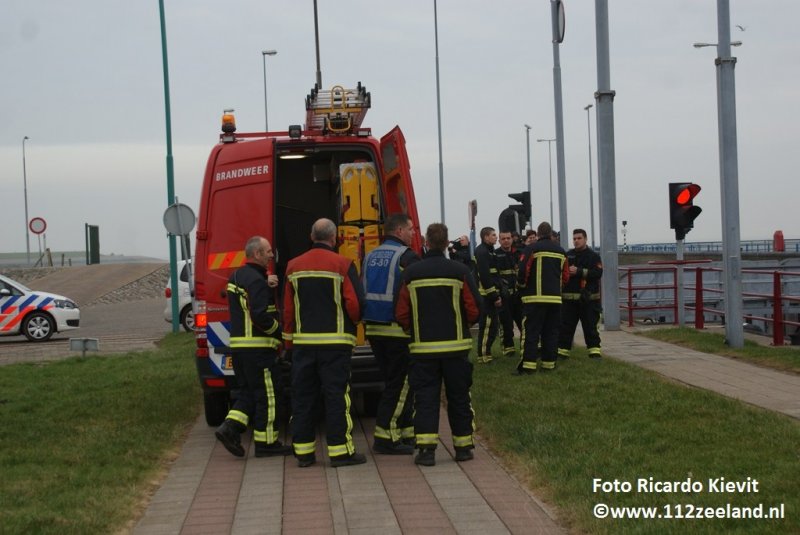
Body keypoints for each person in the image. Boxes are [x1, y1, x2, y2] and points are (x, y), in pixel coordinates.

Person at [282, 218, 367, 468]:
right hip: (336, 345)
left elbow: (288, 311)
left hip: (303, 345)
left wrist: (288, 344)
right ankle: (340, 453)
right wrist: (355, 323)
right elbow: (354, 304)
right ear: (334, 238)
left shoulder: (292, 266)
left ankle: (304, 453)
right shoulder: (342, 264)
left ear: (311, 235)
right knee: (336, 396)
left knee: (303, 397)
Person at [395, 223, 482, 466]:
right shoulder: (459, 270)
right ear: (446, 244)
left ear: (425, 241)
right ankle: (463, 448)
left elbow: (401, 312)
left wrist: (411, 330)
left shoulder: (411, 273)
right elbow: (474, 309)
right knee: (459, 397)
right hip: (456, 348)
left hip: (423, 349)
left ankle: (426, 451)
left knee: (425, 399)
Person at [215, 236, 292, 458]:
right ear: (257, 254)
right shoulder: (257, 281)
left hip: (239, 348)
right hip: (258, 349)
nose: (271, 255)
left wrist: (265, 282)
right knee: (268, 395)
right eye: (268, 251)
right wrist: (280, 331)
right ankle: (267, 444)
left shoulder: (237, 276)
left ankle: (229, 428)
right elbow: (259, 315)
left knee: (249, 392)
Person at [362, 213, 420, 455]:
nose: (413, 234)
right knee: (402, 384)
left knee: (393, 381)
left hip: (374, 329)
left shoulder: (369, 256)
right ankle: (385, 436)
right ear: (398, 231)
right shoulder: (406, 256)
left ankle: (405, 432)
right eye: (410, 229)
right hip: (397, 329)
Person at [516, 222, 569, 374]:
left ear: (538, 234)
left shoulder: (531, 248)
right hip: (555, 299)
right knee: (551, 332)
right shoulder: (561, 251)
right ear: (551, 234)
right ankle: (549, 365)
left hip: (534, 299)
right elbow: (565, 276)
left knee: (531, 332)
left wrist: (521, 287)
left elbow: (522, 270)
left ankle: (528, 366)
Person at [558, 228, 604, 359]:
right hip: (569, 301)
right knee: (566, 328)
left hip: (589, 300)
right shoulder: (568, 255)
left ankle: (594, 352)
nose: (576, 241)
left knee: (590, 327)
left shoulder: (593, 256)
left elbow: (598, 273)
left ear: (585, 239)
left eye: (579, 238)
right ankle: (562, 352)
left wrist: (579, 271)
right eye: (574, 239)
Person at [474, 226, 502, 363]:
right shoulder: (482, 251)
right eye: (493, 235)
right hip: (485, 296)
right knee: (486, 327)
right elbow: (485, 277)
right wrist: (494, 296)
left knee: (492, 326)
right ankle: (483, 356)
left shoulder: (490, 251)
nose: (496, 237)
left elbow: (494, 274)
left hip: (490, 294)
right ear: (485, 237)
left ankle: (487, 353)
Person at [495, 230, 523, 356]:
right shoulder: (495, 255)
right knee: (506, 325)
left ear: (512, 239)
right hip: (504, 296)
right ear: (499, 240)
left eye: (508, 238)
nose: (506, 240)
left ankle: (526, 347)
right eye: (503, 238)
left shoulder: (519, 253)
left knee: (523, 322)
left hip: (519, 296)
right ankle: (509, 350)